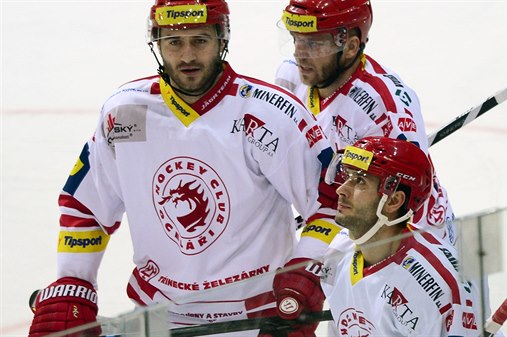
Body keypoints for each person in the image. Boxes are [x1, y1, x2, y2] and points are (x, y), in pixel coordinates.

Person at [27, 1, 336, 336]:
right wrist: (74, 281)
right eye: (174, 42)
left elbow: (330, 202)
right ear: (157, 43)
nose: (187, 55)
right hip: (157, 315)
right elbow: (86, 206)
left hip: (259, 317)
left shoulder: (269, 114)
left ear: (222, 39)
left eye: (200, 40)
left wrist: (306, 270)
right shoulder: (127, 112)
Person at [275, 0, 456, 244]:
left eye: (313, 43)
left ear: (350, 47)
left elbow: (405, 202)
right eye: (295, 38)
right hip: (345, 221)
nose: (298, 53)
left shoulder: (384, 106)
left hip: (412, 240)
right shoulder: (290, 75)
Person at [321, 136, 482, 336]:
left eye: (360, 181)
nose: (341, 189)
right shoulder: (338, 251)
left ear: (394, 201)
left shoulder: (437, 289)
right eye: (347, 177)